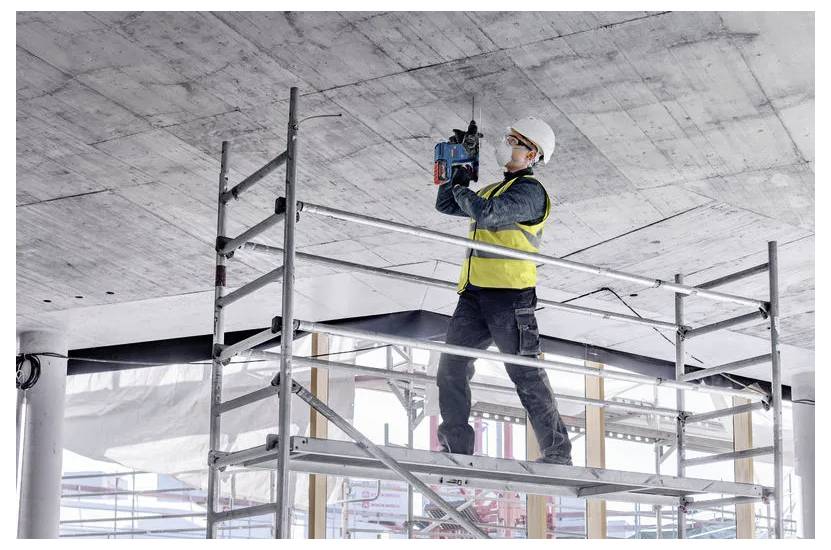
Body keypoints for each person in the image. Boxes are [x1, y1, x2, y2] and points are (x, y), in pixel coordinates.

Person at [434, 117, 573, 465]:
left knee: (525, 373)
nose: (505, 143)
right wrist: (458, 174)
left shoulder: (530, 192)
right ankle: (457, 450)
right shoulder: (495, 188)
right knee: (451, 368)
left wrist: (465, 188)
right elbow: (447, 205)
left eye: (515, 140)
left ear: (532, 155)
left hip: (510, 297)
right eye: (508, 137)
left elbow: (489, 215)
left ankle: (558, 453)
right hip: (474, 295)